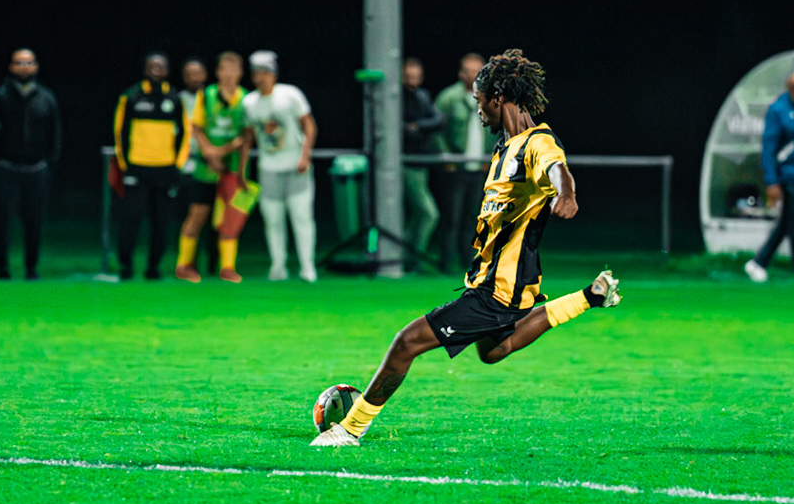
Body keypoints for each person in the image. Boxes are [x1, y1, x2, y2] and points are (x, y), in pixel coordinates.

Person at [315, 49, 621, 447]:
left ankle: (348, 430)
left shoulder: (536, 142)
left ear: (498, 97)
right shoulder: (501, 148)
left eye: (479, 102)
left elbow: (557, 167)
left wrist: (567, 194)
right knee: (494, 351)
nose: (478, 111)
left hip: (499, 289)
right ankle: (589, 298)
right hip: (493, 281)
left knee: (406, 343)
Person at [111, 52, 189, 280]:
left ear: (167, 71)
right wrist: (126, 165)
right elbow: (119, 133)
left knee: (161, 222)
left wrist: (177, 164)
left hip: (165, 170)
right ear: (145, 69)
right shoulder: (131, 97)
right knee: (131, 220)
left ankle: (153, 268)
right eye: (152, 66)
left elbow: (185, 133)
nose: (157, 70)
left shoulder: (175, 99)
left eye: (161, 66)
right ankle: (126, 266)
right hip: (137, 169)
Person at [242, 50, 318, 282]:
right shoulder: (250, 102)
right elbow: (248, 138)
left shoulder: (290, 95)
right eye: (257, 73)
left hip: (295, 166)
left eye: (265, 72)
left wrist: (305, 156)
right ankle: (278, 266)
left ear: (274, 74)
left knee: (301, 217)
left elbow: (309, 126)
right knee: (272, 219)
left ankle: (307, 267)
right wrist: (242, 171)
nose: (261, 77)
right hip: (269, 168)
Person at [176, 51, 252, 283]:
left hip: (232, 170)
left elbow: (246, 138)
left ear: (240, 73)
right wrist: (210, 153)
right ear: (217, 72)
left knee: (231, 218)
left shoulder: (246, 99)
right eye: (224, 69)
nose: (228, 74)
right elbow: (196, 128)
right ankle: (184, 265)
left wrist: (241, 170)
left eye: (234, 70)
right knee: (198, 214)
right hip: (205, 168)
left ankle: (227, 267)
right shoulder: (206, 96)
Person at [0, 48, 61, 281]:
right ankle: (3, 268)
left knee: (34, 222)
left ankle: (31, 268)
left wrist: (49, 163)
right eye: (19, 63)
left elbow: (55, 135)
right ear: (11, 66)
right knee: (2, 222)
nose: (24, 67)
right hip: (6, 168)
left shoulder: (46, 97)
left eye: (29, 62)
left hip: (36, 169)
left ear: (36, 66)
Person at [744, 71, 794, 284]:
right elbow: (769, 147)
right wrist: (771, 180)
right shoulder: (778, 110)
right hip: (787, 175)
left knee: (787, 222)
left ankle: (759, 262)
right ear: (787, 87)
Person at [435, 52, 487, 269]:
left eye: (478, 70)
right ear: (461, 73)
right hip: (456, 167)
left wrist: (491, 157)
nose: (473, 75)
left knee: (474, 217)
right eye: (469, 70)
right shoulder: (449, 98)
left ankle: (469, 261)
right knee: (451, 216)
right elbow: (436, 131)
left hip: (480, 167)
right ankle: (446, 261)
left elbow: (499, 130)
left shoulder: (492, 97)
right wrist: (445, 156)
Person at [401, 57, 444, 260]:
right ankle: (416, 256)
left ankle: (408, 255)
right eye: (409, 76)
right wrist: (417, 128)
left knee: (419, 214)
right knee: (428, 213)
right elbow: (401, 130)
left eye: (417, 76)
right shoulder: (396, 98)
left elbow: (438, 120)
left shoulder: (422, 96)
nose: (413, 80)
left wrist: (417, 126)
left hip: (421, 163)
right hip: (404, 163)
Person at [176, 57, 215, 270]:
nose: (195, 78)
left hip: (212, 165)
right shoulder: (178, 99)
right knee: (189, 216)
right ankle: (189, 261)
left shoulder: (214, 97)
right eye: (190, 74)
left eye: (198, 73)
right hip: (187, 166)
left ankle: (214, 263)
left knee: (214, 220)